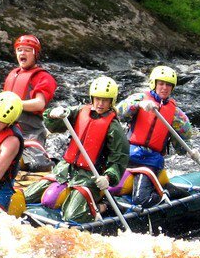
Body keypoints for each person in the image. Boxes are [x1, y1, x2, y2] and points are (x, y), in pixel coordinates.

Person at [23, 76, 129, 224]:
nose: (100, 103)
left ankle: (105, 206)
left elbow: (119, 159)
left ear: (112, 101)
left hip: (90, 177)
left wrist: (108, 178)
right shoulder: (79, 111)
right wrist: (53, 114)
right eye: (97, 99)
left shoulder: (114, 128)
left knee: (72, 216)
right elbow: (53, 126)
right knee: (26, 197)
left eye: (105, 100)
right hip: (65, 169)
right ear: (92, 98)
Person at [116, 65, 195, 208]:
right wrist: (139, 105)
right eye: (161, 84)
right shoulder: (139, 98)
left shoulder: (177, 115)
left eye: (168, 85)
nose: (164, 88)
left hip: (150, 162)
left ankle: (169, 192)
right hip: (127, 156)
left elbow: (184, 139)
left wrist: (189, 150)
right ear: (154, 84)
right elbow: (119, 112)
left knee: (142, 200)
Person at [3, 34, 58, 148]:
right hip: (7, 126)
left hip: (31, 130)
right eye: (19, 50)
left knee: (34, 165)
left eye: (27, 50)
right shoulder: (13, 74)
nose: (22, 53)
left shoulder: (43, 77)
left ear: (35, 54)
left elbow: (39, 104)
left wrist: (14, 104)